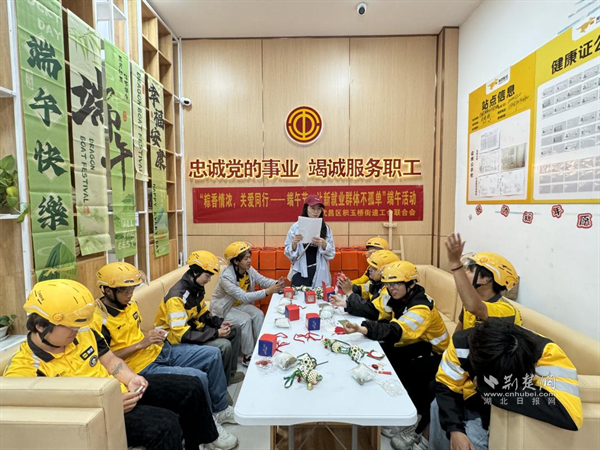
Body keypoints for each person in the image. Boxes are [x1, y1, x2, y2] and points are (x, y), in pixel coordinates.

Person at [4, 279, 219, 450]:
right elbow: (52, 419)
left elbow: (110, 361)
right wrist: (108, 405)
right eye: (69, 327)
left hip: (120, 392)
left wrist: (131, 378)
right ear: (41, 326)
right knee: (165, 424)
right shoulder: (24, 371)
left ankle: (199, 443)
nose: (76, 331)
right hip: (100, 413)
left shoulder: (85, 332)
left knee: (190, 386)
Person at [94, 262, 238, 449]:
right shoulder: (99, 321)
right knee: (197, 377)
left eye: (132, 289)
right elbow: (107, 357)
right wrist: (141, 344)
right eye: (124, 291)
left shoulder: (130, 305)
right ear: (107, 290)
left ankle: (220, 409)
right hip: (139, 366)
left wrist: (151, 335)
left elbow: (135, 332)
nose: (130, 294)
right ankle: (207, 426)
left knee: (213, 354)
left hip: (158, 350)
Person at [341, 261, 449, 450]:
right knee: (381, 356)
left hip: (436, 354)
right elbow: (377, 312)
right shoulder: (398, 298)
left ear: (411, 284)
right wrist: (350, 309)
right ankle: (394, 408)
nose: (392, 288)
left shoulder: (421, 307)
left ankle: (414, 423)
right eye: (390, 284)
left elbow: (396, 331)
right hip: (416, 344)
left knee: (409, 371)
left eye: (397, 284)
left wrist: (362, 328)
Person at [430, 319, 583, 450]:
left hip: (503, 409)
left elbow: (568, 413)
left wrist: (486, 389)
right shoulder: (462, 344)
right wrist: (455, 430)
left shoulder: (546, 353)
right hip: (474, 399)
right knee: (437, 406)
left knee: (474, 437)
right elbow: (445, 385)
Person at [154, 250, 243, 386]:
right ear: (196, 272)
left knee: (235, 329)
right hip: (173, 340)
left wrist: (218, 323)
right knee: (224, 345)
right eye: (207, 276)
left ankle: (230, 375)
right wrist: (215, 333)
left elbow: (202, 313)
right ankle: (221, 385)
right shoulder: (177, 297)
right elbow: (181, 335)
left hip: (192, 329)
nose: (209, 280)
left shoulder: (196, 287)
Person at [211, 241, 286, 367]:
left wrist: (277, 283)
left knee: (258, 314)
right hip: (224, 309)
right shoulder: (226, 277)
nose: (249, 261)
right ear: (236, 261)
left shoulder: (248, 269)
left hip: (238, 304)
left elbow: (262, 280)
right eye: (246, 258)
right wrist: (268, 291)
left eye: (249, 257)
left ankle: (261, 346)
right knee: (245, 320)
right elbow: (244, 296)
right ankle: (248, 355)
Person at [446, 233, 522, 331]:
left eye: (470, 270)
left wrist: (456, 264)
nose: (465, 273)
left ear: (486, 279)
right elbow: (458, 335)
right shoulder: (470, 301)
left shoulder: (506, 310)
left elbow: (475, 308)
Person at [284, 194, 335, 288]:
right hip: (300, 271)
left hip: (319, 271)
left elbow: (331, 254)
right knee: (299, 296)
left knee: (319, 296)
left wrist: (324, 244)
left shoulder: (325, 228)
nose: (316, 212)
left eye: (319, 209)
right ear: (306, 208)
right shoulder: (295, 227)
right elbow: (287, 252)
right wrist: (294, 243)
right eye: (313, 208)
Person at [335, 249, 399, 306]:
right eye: (370, 266)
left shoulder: (387, 290)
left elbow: (372, 310)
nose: (369, 269)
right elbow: (361, 290)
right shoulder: (374, 282)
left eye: (374, 268)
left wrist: (349, 293)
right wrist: (347, 286)